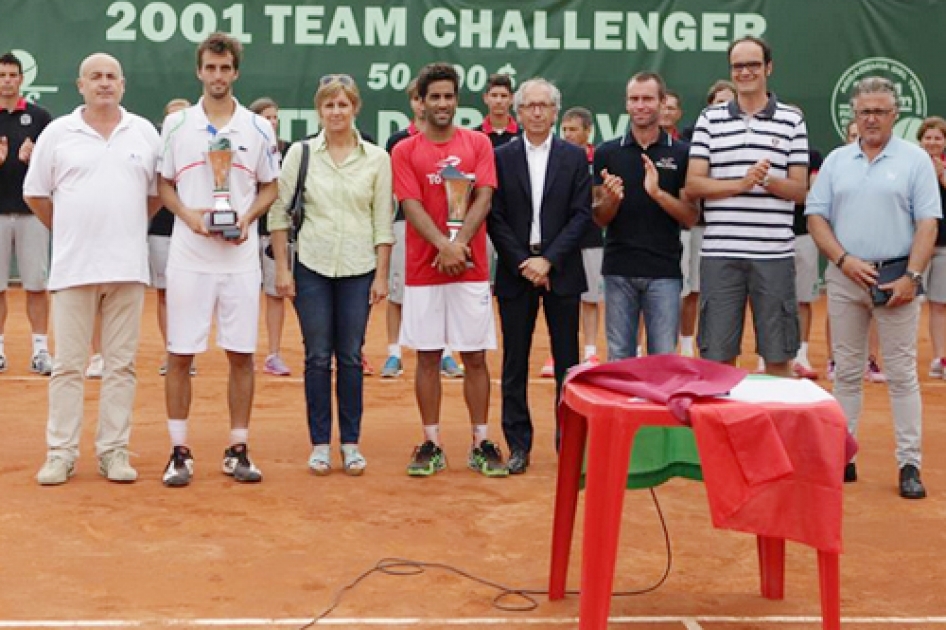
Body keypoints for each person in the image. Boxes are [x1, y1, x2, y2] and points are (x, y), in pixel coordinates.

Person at [24, 53, 160, 485]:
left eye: (111, 77)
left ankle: (113, 452)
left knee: (121, 366)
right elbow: (37, 195)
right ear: (79, 85)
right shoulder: (58, 133)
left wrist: (125, 227)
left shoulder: (144, 132)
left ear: (124, 84)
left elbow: (154, 196)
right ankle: (60, 453)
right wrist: (71, 231)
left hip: (127, 269)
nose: (104, 83)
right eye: (95, 77)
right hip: (73, 269)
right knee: (67, 366)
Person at [807, 76, 940, 499]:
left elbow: (927, 223)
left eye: (880, 111)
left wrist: (912, 278)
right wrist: (844, 262)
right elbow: (816, 218)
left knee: (902, 376)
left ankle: (909, 465)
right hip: (846, 280)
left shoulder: (916, 160)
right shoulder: (836, 161)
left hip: (898, 281)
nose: (871, 119)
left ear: (894, 115)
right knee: (846, 373)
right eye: (864, 111)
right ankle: (842, 457)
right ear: (854, 115)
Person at [157, 32, 279, 487]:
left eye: (225, 68)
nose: (217, 76)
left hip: (239, 258)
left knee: (242, 354)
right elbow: (164, 184)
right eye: (210, 67)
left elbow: (271, 185)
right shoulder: (176, 125)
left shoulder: (257, 127)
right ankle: (178, 452)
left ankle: (238, 449)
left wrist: (246, 217)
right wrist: (189, 215)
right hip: (189, 255)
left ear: (236, 72)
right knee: (180, 353)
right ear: (199, 71)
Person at [269, 74, 393, 475]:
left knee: (352, 358)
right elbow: (278, 214)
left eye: (343, 104)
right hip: (312, 269)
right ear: (319, 110)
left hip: (359, 269)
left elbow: (383, 224)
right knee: (318, 357)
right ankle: (320, 444)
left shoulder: (377, 159)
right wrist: (283, 270)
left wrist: (381, 276)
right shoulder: (301, 154)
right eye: (329, 105)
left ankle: (351, 444)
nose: (336, 112)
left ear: (355, 107)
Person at [391, 62, 507, 477]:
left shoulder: (478, 143)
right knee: (426, 357)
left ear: (457, 99)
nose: (442, 104)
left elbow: (484, 198)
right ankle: (431, 442)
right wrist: (443, 245)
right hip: (425, 269)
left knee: (475, 357)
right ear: (420, 102)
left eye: (449, 96)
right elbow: (411, 205)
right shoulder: (404, 150)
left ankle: (480, 441)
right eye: (434, 97)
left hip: (470, 269)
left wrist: (458, 246)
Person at [686, 36, 809, 376]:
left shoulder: (791, 121)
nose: (745, 72)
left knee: (778, 357)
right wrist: (740, 184)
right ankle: (721, 430)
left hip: (775, 255)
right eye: (738, 66)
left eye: (753, 64)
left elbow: (800, 191)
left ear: (768, 68)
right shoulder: (709, 119)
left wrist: (767, 180)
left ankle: (772, 429)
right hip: (721, 254)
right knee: (717, 357)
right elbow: (694, 184)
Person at [488, 78, 591, 475]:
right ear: (518, 112)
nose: (535, 112)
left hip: (561, 271)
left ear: (554, 112)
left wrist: (548, 260)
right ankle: (518, 445)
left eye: (543, 106)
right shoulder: (502, 156)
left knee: (567, 363)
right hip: (517, 273)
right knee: (514, 362)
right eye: (528, 105)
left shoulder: (573, 156)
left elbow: (581, 214)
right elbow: (494, 216)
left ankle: (570, 445)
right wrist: (523, 263)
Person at [593, 72, 697, 360]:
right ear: (626, 104)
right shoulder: (607, 152)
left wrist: (658, 194)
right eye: (634, 99)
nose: (641, 105)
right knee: (619, 358)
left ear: (663, 103)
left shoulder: (682, 153)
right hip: (618, 270)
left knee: (663, 359)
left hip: (664, 271)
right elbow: (600, 219)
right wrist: (611, 200)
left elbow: (690, 217)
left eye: (648, 99)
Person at [381, 79, 464, 379]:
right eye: (418, 99)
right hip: (406, 224)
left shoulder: (456, 141)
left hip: (447, 227)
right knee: (397, 291)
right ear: (415, 103)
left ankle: (445, 352)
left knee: (444, 290)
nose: (421, 104)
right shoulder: (397, 141)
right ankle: (394, 352)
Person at [0, 51, 53, 375]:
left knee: (35, 285)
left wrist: (34, 159)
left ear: (22, 79)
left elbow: (55, 167)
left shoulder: (40, 117)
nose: (7, 80)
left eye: (12, 75)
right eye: (2, 74)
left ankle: (40, 350)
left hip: (32, 214)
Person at [825, 119, 886, 383]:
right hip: (841, 258)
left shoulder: (887, 169)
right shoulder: (835, 165)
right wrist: (840, 256)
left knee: (874, 310)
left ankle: (870, 360)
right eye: (850, 135)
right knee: (837, 311)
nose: (855, 138)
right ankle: (835, 359)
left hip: (879, 258)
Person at [678, 80, 735, 356]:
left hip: (729, 227)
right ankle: (685, 346)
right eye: (718, 102)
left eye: (728, 102)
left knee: (708, 291)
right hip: (693, 225)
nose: (723, 107)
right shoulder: (693, 136)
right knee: (685, 289)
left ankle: (706, 346)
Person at [249, 96, 292, 377]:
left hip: (278, 234)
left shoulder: (289, 150)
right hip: (248, 232)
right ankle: (254, 352)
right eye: (266, 117)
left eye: (275, 116)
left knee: (281, 294)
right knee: (249, 295)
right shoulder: (246, 150)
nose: (272, 122)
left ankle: (277, 353)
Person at [561, 106, 603, 367]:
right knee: (563, 300)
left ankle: (589, 349)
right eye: (564, 129)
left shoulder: (600, 159)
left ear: (588, 132)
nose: (567, 135)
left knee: (590, 298)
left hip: (591, 237)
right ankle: (560, 351)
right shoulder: (557, 157)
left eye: (573, 130)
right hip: (562, 239)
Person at [917, 116, 946, 379]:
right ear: (920, 140)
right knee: (911, 303)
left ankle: (940, 358)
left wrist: (942, 175)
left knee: (940, 304)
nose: (933, 142)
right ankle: (902, 358)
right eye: (928, 138)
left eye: (938, 138)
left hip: (944, 247)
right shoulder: (911, 167)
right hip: (916, 246)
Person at [474, 73, 521, 149]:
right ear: (485, 98)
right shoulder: (475, 135)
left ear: (512, 99)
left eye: (503, 96)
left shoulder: (523, 135)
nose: (498, 101)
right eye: (494, 95)